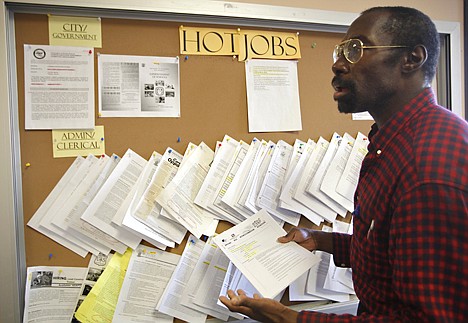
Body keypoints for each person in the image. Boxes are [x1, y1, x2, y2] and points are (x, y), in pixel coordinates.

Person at [220, 6, 468, 322]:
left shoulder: (426, 166)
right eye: (340, 51)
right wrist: (321, 241)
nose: (338, 64)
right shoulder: (393, 143)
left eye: (356, 50)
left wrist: (290, 318)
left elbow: (431, 319)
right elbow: (392, 253)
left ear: (411, 59)